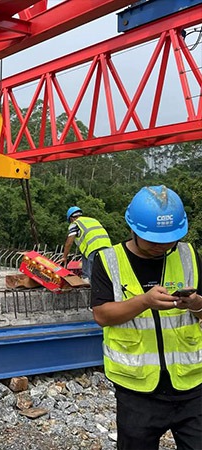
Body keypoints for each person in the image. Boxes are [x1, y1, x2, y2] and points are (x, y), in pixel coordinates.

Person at [91, 185, 202, 450]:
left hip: (191, 384)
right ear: (134, 229)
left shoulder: (188, 255)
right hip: (137, 391)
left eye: (169, 240)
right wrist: (144, 301)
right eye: (153, 241)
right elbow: (102, 315)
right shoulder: (109, 260)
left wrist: (197, 304)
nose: (162, 247)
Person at [61, 206, 111, 280]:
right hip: (108, 247)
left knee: (93, 278)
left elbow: (69, 243)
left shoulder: (75, 223)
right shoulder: (93, 220)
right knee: (107, 273)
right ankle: (85, 277)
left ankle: (89, 283)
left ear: (71, 218)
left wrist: (64, 257)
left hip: (94, 248)